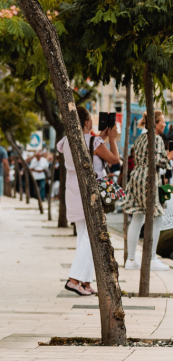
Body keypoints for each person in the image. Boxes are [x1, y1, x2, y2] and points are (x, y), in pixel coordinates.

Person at [58, 107, 120, 295]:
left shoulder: (66, 140)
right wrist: (111, 139)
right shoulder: (95, 142)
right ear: (86, 122)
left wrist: (99, 137)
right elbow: (115, 160)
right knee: (92, 235)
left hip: (73, 188)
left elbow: (87, 146)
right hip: (90, 189)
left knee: (84, 235)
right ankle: (74, 279)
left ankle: (85, 282)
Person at [121, 110, 173, 272]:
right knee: (156, 218)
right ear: (154, 123)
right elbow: (157, 160)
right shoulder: (156, 138)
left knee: (137, 217)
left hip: (137, 176)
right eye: (162, 122)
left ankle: (131, 258)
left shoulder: (139, 138)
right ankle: (151, 258)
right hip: (149, 178)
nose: (165, 124)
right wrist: (169, 157)